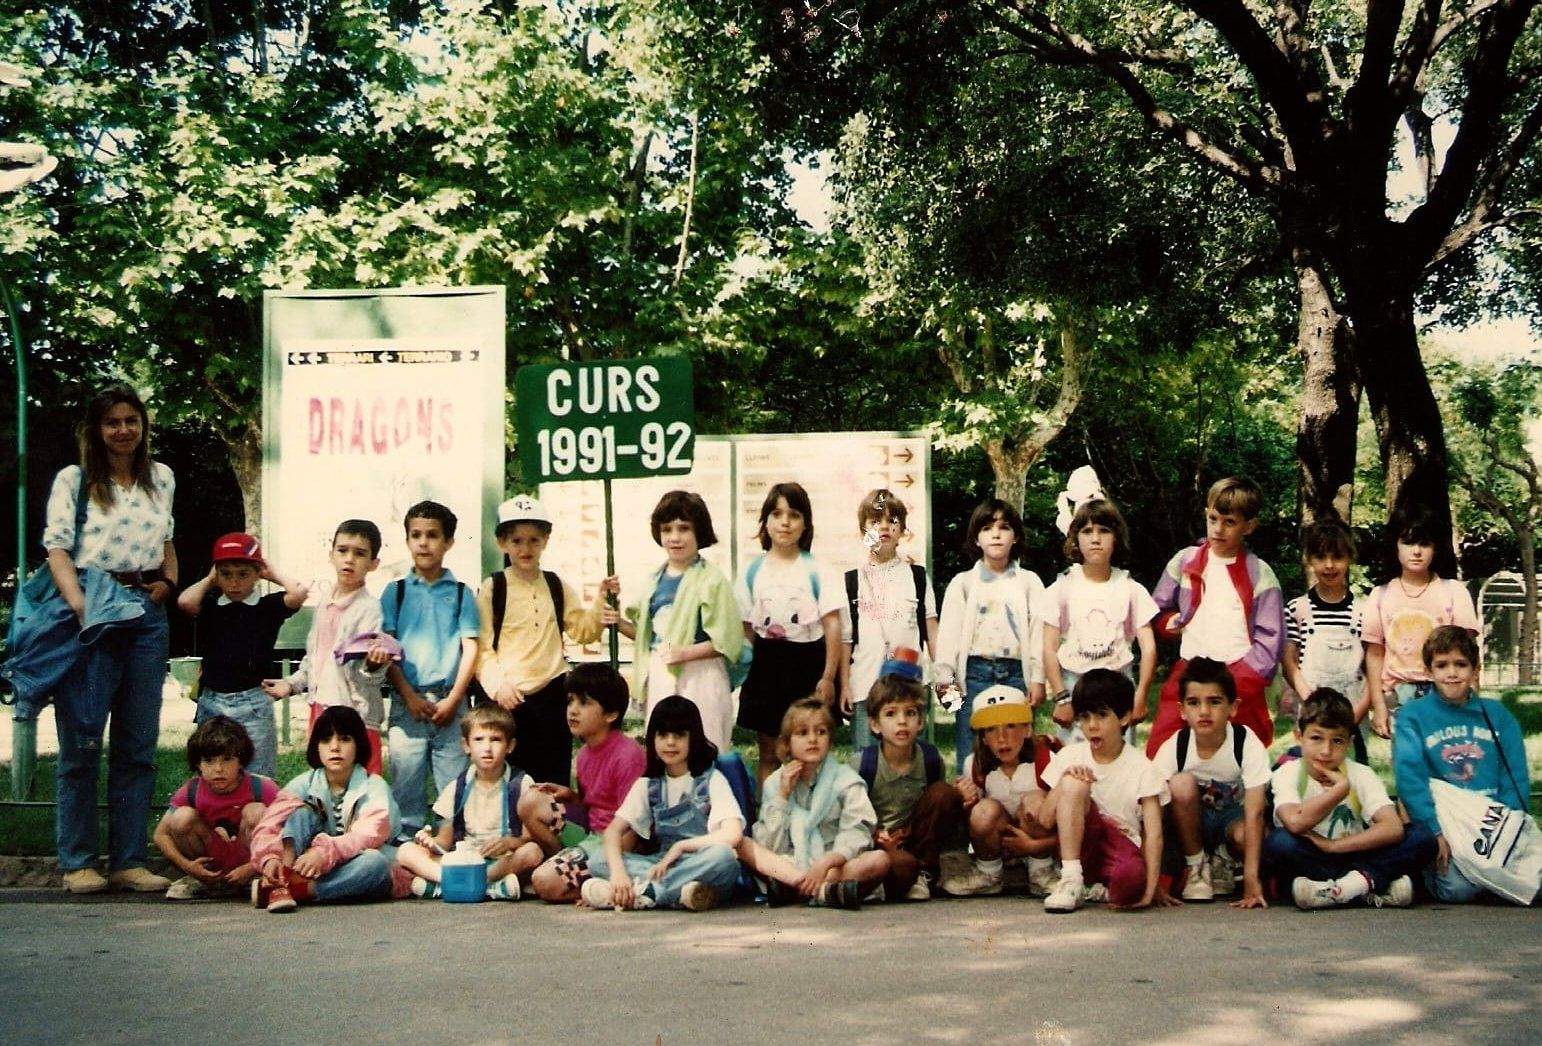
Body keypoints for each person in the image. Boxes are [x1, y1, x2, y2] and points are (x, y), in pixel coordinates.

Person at [44, 387, 179, 894]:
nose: (123, 430)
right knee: (81, 742)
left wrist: (167, 583)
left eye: (131, 420)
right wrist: (81, 605)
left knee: (137, 744)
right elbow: (57, 548)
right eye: (112, 422)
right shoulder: (75, 480)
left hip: (145, 611)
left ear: (143, 425)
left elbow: (168, 542)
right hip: (94, 609)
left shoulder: (161, 477)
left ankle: (128, 859)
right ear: (95, 430)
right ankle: (77, 860)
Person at [1146, 476, 1285, 755]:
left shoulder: (1260, 572)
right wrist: (1167, 622)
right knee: (1162, 746)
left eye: (1229, 522)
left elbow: (1271, 639)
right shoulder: (1185, 561)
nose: (1218, 529)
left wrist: (1241, 679)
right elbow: (1156, 610)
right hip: (1190, 669)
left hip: (1239, 675)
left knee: (1246, 751)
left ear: (1249, 526)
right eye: (1213, 519)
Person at [474, 495, 605, 788]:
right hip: (509, 696)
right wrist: (498, 686)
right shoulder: (494, 587)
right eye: (517, 540)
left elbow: (584, 631)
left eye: (534, 540)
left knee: (552, 778)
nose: (525, 548)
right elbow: (482, 647)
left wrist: (601, 602)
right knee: (508, 779)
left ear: (545, 540)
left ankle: (550, 832)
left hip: (552, 693)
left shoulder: (555, 585)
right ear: (502, 543)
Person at [1264, 689, 1437, 909]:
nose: (1326, 751)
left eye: (1337, 741)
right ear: (1299, 736)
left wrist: (1334, 846)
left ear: (1349, 742)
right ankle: (1369, 886)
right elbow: (1295, 823)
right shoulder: (1288, 772)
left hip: (1353, 854)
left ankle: (1340, 889)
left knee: (1421, 837)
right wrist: (1339, 790)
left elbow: (1392, 827)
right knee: (1279, 843)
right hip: (1312, 858)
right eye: (1316, 738)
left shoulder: (1361, 773)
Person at [1394, 626, 1530, 903]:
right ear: (1428, 671)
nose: (1452, 673)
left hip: (1493, 823)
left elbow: (1515, 775)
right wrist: (1434, 831)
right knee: (1457, 889)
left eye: (1461, 664)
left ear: (1475, 669)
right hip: (1449, 825)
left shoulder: (1497, 715)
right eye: (1442, 665)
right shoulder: (1412, 717)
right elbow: (1411, 780)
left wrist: (1508, 830)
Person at [574, 695, 744, 912]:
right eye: (663, 735)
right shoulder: (648, 785)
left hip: (700, 861)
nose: (670, 742)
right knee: (598, 860)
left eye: (679, 735)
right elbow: (612, 832)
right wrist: (618, 874)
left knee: (724, 857)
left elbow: (733, 834)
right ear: (652, 738)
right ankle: (673, 894)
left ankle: (644, 893)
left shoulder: (711, 779)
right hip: (660, 865)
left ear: (694, 738)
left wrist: (682, 846)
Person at [605, 490, 744, 752]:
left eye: (684, 528)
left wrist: (686, 652)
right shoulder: (653, 580)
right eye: (667, 529)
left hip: (701, 675)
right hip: (662, 671)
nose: (675, 537)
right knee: (665, 749)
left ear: (699, 532)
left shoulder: (713, 580)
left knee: (705, 745)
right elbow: (650, 636)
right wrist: (618, 622)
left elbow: (728, 641)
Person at [395, 705, 565, 901]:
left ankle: (455, 886)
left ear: (510, 746)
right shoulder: (456, 787)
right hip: (464, 859)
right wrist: (431, 843)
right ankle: (470, 885)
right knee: (407, 851)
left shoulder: (520, 784)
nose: (487, 748)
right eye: (479, 739)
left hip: (501, 861)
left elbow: (531, 838)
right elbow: (445, 839)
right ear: (466, 746)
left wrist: (509, 842)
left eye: (496, 740)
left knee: (532, 853)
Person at [381, 501, 479, 838]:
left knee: (454, 791)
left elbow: (471, 648)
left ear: (448, 542)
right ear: (407, 540)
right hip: (407, 704)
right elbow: (388, 649)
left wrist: (453, 700)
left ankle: (450, 852)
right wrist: (408, 695)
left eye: (433, 535)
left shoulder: (462, 593)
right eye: (416, 535)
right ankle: (408, 857)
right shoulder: (395, 592)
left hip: (451, 705)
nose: (424, 543)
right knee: (406, 789)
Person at [736, 481, 845, 784]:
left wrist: (827, 676)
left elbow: (832, 625)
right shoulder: (751, 571)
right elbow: (746, 627)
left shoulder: (818, 570)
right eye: (777, 514)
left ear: (805, 523)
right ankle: (770, 819)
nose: (785, 522)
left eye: (794, 515)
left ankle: (814, 818)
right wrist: (744, 670)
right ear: (765, 521)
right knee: (770, 753)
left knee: (810, 751)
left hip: (807, 664)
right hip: (766, 666)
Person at [260, 520, 389, 774]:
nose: (349, 559)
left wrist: (374, 664)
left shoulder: (370, 609)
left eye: (360, 553)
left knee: (361, 784)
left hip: (356, 714)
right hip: (321, 707)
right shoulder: (325, 602)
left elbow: (370, 675)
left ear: (373, 563)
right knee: (325, 782)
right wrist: (292, 684)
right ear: (331, 555)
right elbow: (315, 659)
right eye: (342, 550)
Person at [1038, 670, 1172, 914]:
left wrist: (1150, 890)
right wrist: (1065, 781)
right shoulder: (1070, 755)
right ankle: (1071, 880)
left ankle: (1098, 889)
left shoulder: (1143, 767)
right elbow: (1045, 819)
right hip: (1081, 846)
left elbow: (1153, 835)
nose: (1092, 726)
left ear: (1124, 718)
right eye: (1085, 717)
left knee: (1130, 881)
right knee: (1075, 783)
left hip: (1121, 848)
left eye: (1101, 716)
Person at [737, 699, 890, 909]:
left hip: (834, 866)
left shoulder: (845, 779)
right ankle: (822, 892)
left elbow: (857, 832)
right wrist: (782, 797)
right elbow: (770, 845)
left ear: (830, 740)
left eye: (821, 732)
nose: (812, 739)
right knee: (742, 845)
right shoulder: (776, 782)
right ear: (786, 742)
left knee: (879, 860)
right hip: (792, 864)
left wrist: (826, 863)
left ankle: (797, 890)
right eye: (802, 733)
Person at [177, 533, 307, 779]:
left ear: (258, 573)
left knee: (258, 775)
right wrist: (209, 579)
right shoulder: (212, 606)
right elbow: (185, 602)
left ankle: (257, 817)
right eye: (226, 574)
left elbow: (299, 593)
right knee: (210, 774)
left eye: (243, 574)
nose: (234, 582)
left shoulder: (267, 606)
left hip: (253, 703)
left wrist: (272, 573)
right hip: (213, 701)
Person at [248, 706, 402, 912]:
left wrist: (324, 853)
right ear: (316, 747)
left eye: (345, 739)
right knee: (299, 813)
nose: (335, 747)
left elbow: (368, 835)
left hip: (350, 865)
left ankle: (294, 890)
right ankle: (283, 877)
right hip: (303, 863)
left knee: (377, 864)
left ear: (359, 745)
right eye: (326, 740)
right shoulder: (303, 784)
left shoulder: (373, 785)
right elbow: (268, 826)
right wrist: (269, 859)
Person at [934, 498, 1046, 770]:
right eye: (987, 528)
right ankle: (972, 806)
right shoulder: (963, 583)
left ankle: (1020, 805)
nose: (995, 534)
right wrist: (945, 679)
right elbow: (948, 636)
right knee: (971, 751)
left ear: (1016, 536)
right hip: (973, 675)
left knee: (1019, 750)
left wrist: (1038, 678)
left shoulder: (1029, 582)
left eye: (1004, 527)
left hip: (1016, 674)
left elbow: (1039, 634)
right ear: (976, 539)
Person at [1042, 484, 1157, 746]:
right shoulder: (1062, 588)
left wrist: (1140, 696)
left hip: (1118, 688)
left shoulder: (1130, 589)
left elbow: (1148, 649)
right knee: (1075, 768)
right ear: (1075, 538)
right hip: (1074, 688)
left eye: (1104, 531)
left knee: (1119, 765)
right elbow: (1049, 648)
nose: (1095, 538)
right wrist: (1061, 698)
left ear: (1116, 537)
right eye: (1087, 531)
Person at [1150, 658, 1270, 907]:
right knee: (1181, 783)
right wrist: (1153, 879)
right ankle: (1196, 867)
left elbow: (1256, 810)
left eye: (1214, 702)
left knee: (1251, 834)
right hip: (1191, 826)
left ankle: (1225, 860)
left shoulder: (1245, 743)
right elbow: (1152, 807)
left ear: (1233, 707)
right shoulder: (1177, 745)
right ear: (1182, 710)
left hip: (1233, 822)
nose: (1204, 711)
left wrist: (1251, 877)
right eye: (1194, 703)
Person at [530, 663, 647, 903]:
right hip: (589, 836)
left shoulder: (628, 755)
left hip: (616, 845)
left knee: (543, 882)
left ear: (611, 714)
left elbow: (634, 827)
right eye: (571, 701)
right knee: (531, 801)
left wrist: (612, 867)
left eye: (584, 703)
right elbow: (591, 806)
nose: (573, 710)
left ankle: (592, 885)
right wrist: (571, 796)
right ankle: (567, 868)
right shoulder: (584, 754)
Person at [850, 653, 962, 901]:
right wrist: (876, 834)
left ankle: (924, 874)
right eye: (891, 714)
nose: (902, 722)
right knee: (901, 866)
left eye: (910, 713)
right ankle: (893, 881)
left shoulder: (930, 759)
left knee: (944, 793)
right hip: (877, 844)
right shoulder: (864, 763)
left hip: (914, 840)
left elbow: (933, 810)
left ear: (921, 721)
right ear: (875, 724)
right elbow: (850, 815)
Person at [1362, 507, 1480, 734]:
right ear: (1395, 546)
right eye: (1408, 543)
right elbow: (1375, 654)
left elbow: (1469, 652)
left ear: (1435, 548)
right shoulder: (1380, 595)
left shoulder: (1454, 592)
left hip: (1448, 691)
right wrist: (1378, 706)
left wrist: (1473, 701)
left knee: (1451, 764)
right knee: (1409, 765)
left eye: (1424, 544)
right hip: (1398, 696)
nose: (1416, 551)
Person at [840, 488, 939, 751]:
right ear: (863, 531)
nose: (884, 527)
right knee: (866, 762)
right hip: (865, 685)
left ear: (902, 530)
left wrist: (944, 679)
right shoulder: (851, 580)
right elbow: (846, 641)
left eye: (892, 520)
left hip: (910, 685)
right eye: (875, 521)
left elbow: (931, 629)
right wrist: (844, 686)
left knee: (916, 763)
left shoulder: (917, 576)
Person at [941, 684, 1060, 899]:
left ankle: (1042, 870)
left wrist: (1036, 846)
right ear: (983, 738)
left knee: (1036, 801)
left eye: (1011, 726)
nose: (1001, 737)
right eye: (991, 729)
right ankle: (989, 872)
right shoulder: (975, 765)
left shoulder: (1047, 759)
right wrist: (965, 797)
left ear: (1027, 729)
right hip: (1002, 842)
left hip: (1041, 842)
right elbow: (975, 819)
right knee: (984, 811)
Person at [155, 716, 280, 900]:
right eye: (209, 761)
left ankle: (254, 879)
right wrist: (187, 866)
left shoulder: (261, 788)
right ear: (198, 763)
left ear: (241, 761)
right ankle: (205, 881)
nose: (218, 769)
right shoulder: (192, 790)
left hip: (251, 862)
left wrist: (252, 867)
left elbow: (289, 833)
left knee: (256, 811)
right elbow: (160, 835)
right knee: (182, 817)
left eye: (227, 759)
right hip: (209, 861)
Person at [1283, 519, 1371, 757]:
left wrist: (1353, 716)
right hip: (1311, 714)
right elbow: (1289, 663)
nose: (1329, 565)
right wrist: (1311, 703)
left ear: (1350, 558)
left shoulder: (1366, 611)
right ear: (1309, 559)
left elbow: (1373, 666)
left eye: (1338, 557)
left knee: (1354, 779)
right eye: (1321, 557)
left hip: (1354, 714)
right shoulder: (1296, 609)